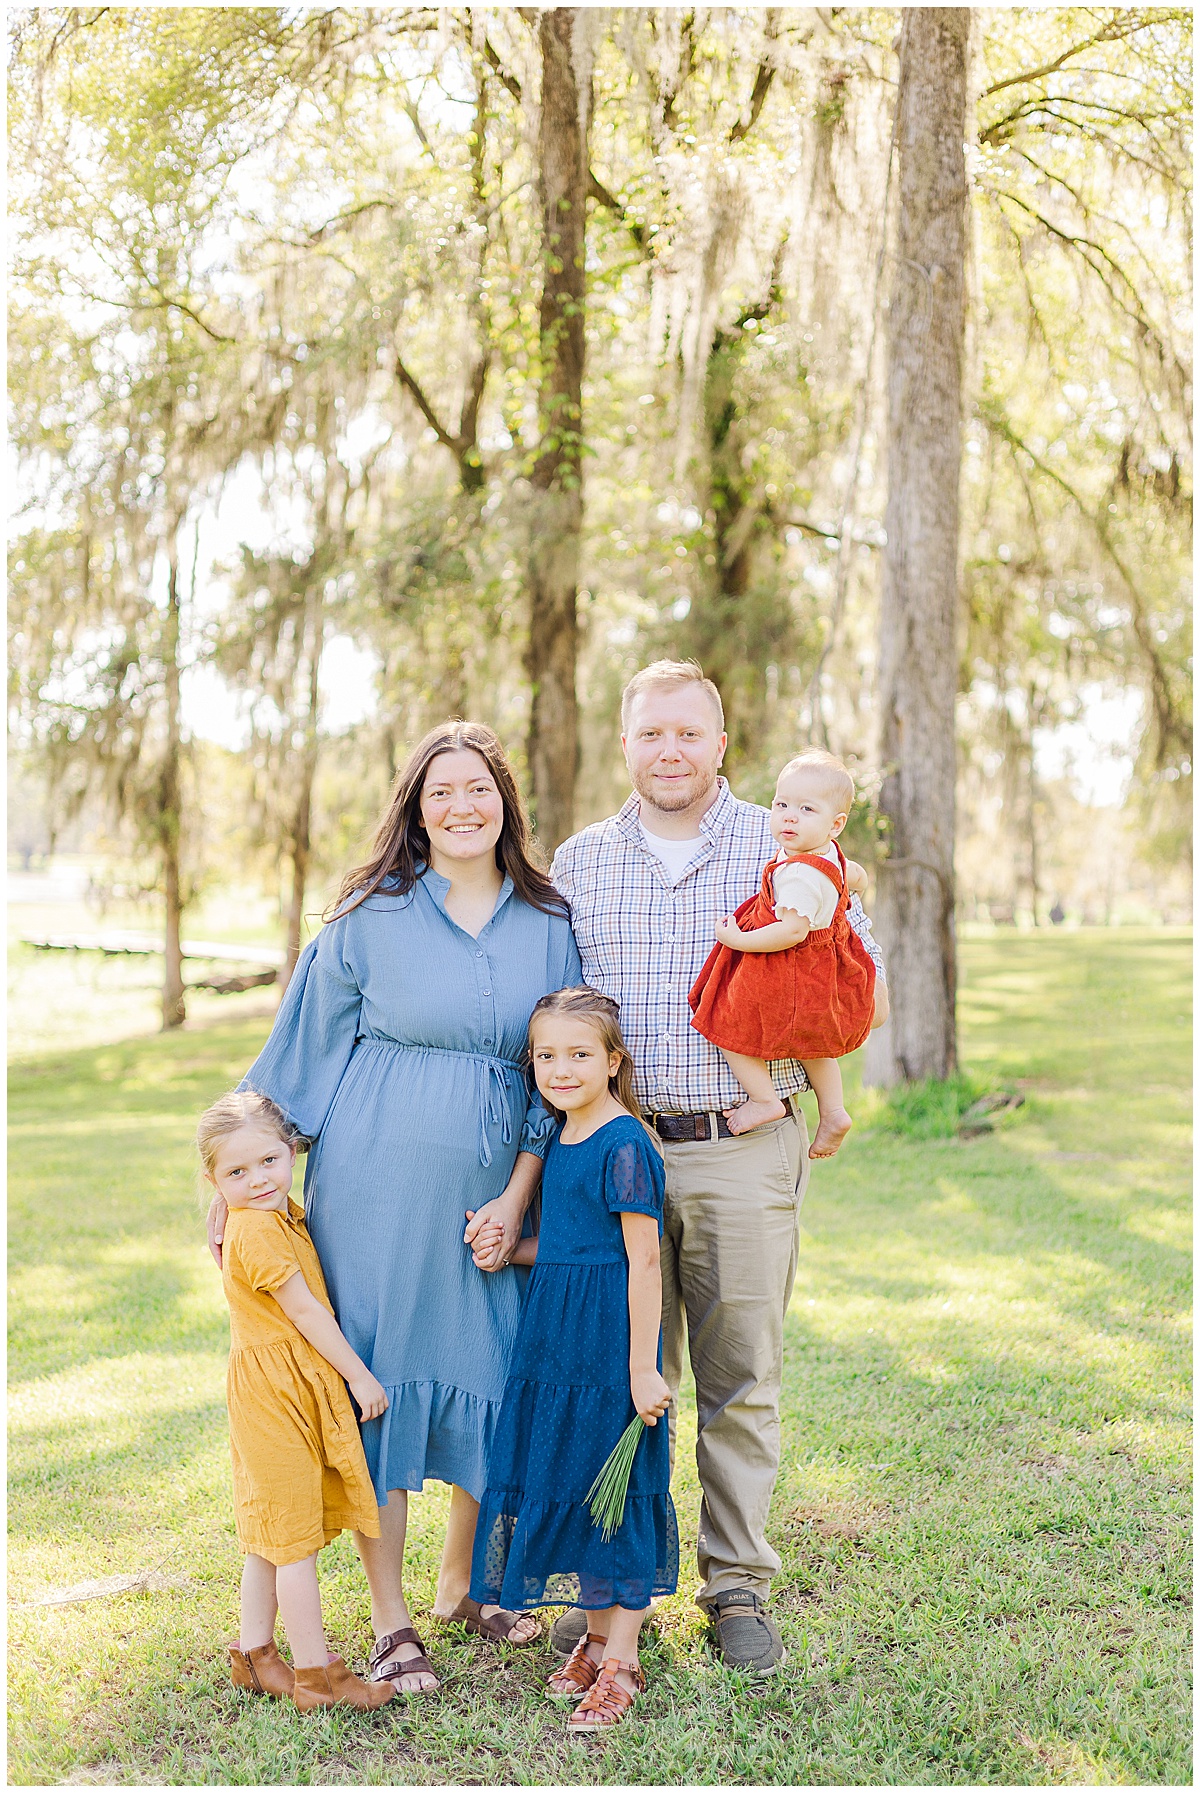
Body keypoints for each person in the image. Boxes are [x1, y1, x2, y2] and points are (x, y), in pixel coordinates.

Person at [206, 721, 582, 1695]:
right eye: (441, 792)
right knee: (382, 1381)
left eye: (480, 788)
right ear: (416, 811)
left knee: (490, 1375)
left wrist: (518, 1194)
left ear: (506, 801)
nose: (463, 806)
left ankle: (466, 1583)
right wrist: (233, 1185)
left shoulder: (549, 922)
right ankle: (390, 1619)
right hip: (373, 1193)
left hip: (492, 1194)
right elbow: (295, 1061)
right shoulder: (369, 917)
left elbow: (556, 1079)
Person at [539, 660, 886, 1676]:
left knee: (740, 1372)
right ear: (627, 742)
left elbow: (846, 973)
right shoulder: (582, 860)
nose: (671, 751)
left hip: (743, 1145)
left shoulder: (782, 841)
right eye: (653, 733)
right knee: (618, 1375)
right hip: (620, 1153)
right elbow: (556, 1014)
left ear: (722, 744)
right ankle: (610, 1578)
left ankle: (735, 1579)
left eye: (690, 733)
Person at [467, 987, 678, 1732]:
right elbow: (563, 1244)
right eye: (547, 1055)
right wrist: (507, 1248)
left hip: (607, 1349)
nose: (560, 1068)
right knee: (575, 1482)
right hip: (553, 1337)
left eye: (579, 1054)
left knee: (613, 1501)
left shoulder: (624, 1145)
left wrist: (642, 1369)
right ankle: (594, 1636)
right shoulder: (561, 1136)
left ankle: (623, 1658)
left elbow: (642, 1261)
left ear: (612, 1061)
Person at [199, 1089, 396, 1713]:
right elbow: (306, 1312)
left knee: (270, 1531)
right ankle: (317, 1676)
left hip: (279, 1386)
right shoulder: (258, 1230)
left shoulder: (275, 1213)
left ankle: (255, 1656)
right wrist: (360, 1377)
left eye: (268, 1162)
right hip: (274, 1393)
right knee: (293, 1543)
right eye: (236, 1172)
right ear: (212, 1180)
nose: (257, 1180)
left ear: (291, 1154)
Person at [688, 749, 883, 1158]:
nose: (789, 816)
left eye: (806, 809)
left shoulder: (798, 872)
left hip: (789, 969)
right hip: (820, 973)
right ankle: (833, 1110)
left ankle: (763, 1099)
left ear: (836, 823)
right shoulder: (828, 855)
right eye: (781, 805)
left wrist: (736, 939)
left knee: (725, 1023)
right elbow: (858, 877)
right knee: (812, 1044)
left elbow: (791, 931)